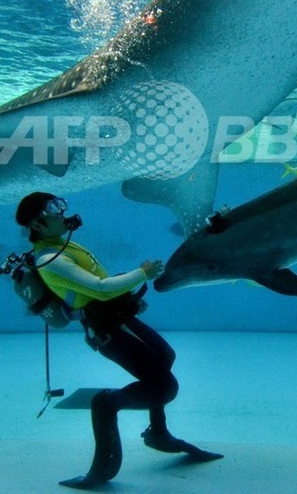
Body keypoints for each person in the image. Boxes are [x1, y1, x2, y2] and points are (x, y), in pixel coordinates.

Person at [14, 191, 222, 489]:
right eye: (53, 209)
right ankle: (106, 415)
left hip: (117, 317)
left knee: (165, 357)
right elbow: (99, 287)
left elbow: (96, 285)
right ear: (37, 224)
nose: (62, 212)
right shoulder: (50, 259)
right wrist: (142, 273)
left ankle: (158, 432)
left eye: (61, 205)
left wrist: (127, 300)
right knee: (165, 387)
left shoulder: (62, 245)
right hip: (106, 328)